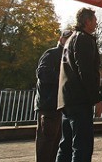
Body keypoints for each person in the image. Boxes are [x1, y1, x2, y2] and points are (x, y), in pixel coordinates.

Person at [56, 8, 102, 162]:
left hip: (66, 100)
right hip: (79, 101)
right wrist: (96, 99)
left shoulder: (70, 39)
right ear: (87, 21)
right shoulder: (83, 39)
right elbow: (86, 71)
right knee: (82, 147)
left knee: (66, 146)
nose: (96, 23)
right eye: (94, 20)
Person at [34, 29, 73, 162]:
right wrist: (64, 79)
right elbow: (42, 73)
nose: (69, 41)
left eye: (71, 39)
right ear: (61, 39)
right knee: (47, 142)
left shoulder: (68, 56)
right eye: (67, 38)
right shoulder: (51, 54)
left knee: (56, 143)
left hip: (60, 106)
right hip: (49, 106)